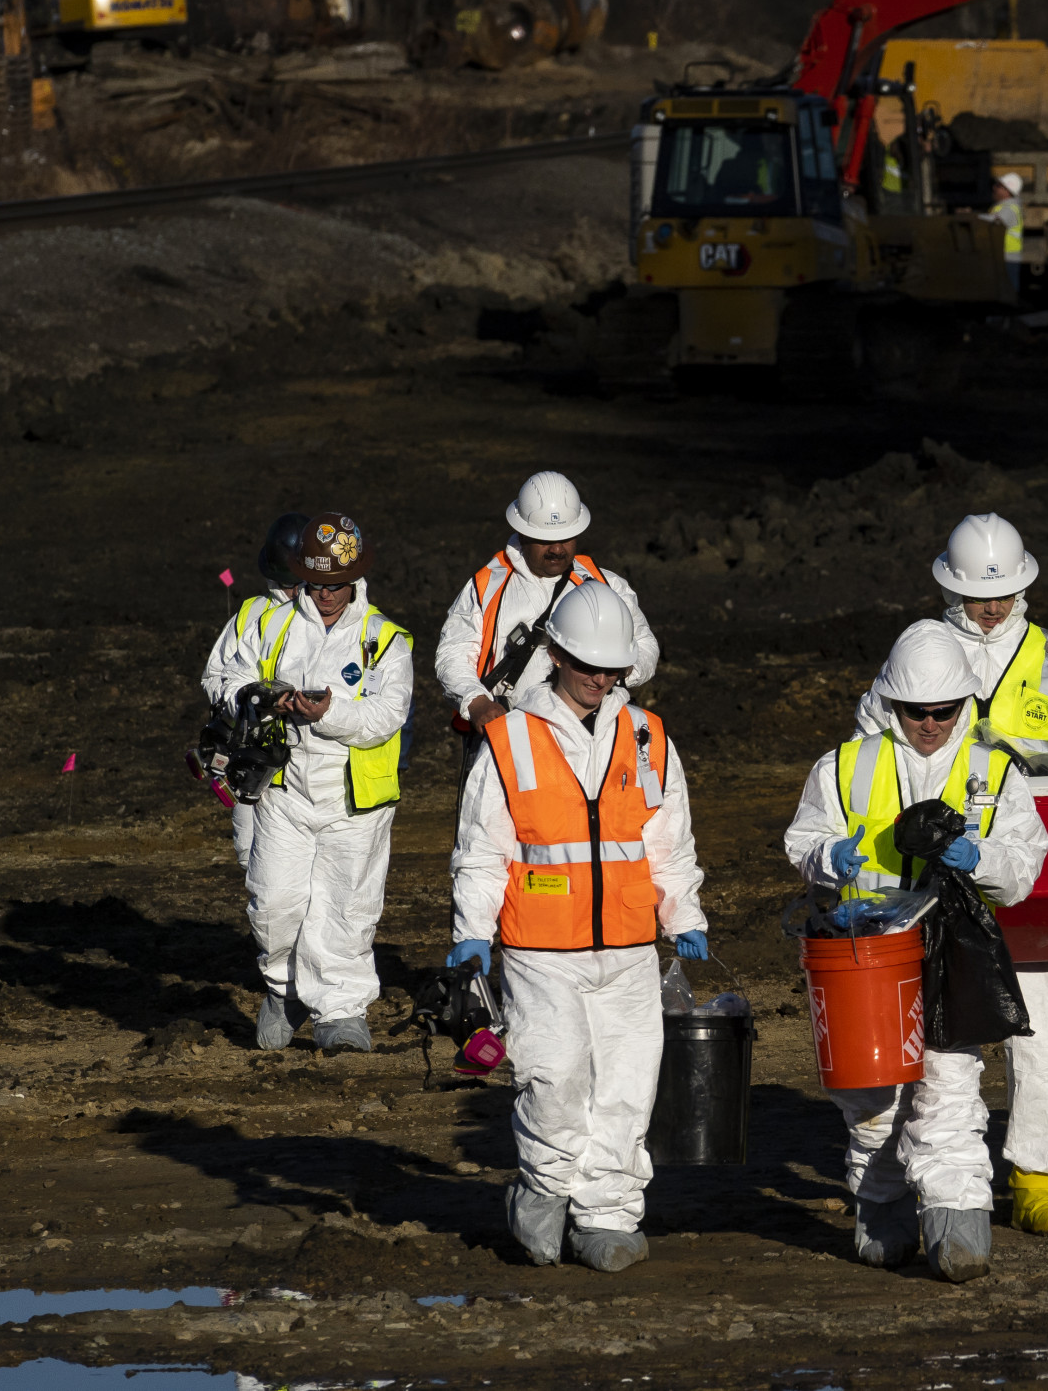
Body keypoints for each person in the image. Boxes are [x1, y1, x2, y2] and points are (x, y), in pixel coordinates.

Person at [850, 514, 1048, 1240]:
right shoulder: (920, 654)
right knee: (933, 1033)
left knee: (1047, 1019)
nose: (992, 606)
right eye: (979, 595)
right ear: (951, 587)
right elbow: (869, 749)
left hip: (1038, 859)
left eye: (1002, 593)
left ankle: (1038, 1178)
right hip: (938, 871)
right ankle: (906, 1172)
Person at [449, 584, 708, 1273]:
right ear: (557, 655)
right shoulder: (509, 739)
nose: (600, 679)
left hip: (629, 949)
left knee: (627, 1087)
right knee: (554, 1078)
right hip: (540, 950)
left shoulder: (648, 736)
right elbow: (482, 847)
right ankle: (543, 1189)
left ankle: (608, 1215)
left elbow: (667, 839)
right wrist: (472, 930)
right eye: (588, 665)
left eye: (612, 668)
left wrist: (683, 913)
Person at [786, 621, 1048, 1283]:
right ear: (891, 702)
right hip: (869, 954)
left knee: (949, 1090)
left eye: (944, 710)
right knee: (874, 1103)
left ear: (964, 703)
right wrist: (829, 856)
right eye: (915, 711)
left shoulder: (995, 771)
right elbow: (803, 838)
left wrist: (978, 857)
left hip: (951, 952)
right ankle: (883, 1210)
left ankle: (958, 1224)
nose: (930, 724)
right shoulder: (844, 766)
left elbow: (1024, 864)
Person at [223, 514, 414, 1052]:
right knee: (273, 902)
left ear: (355, 578)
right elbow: (233, 676)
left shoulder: (384, 639)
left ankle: (340, 1012)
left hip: (355, 800)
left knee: (346, 907)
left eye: (336, 583)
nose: (326, 594)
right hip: (284, 789)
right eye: (316, 582)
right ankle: (283, 990)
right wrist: (264, 696)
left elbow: (387, 716)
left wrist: (328, 714)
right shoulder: (274, 624)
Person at [435, 472, 659, 773]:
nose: (557, 549)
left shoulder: (607, 585)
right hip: (510, 739)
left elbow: (644, 645)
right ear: (522, 533)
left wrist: (610, 677)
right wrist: (477, 704)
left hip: (592, 740)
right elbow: (453, 655)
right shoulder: (485, 588)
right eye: (544, 540)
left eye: (565, 538)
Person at [201, 513, 305, 865]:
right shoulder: (250, 614)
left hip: (309, 773)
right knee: (253, 861)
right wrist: (250, 702)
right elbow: (214, 678)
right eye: (288, 583)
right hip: (254, 768)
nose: (294, 591)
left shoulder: (328, 623)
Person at [991, 172, 1027, 297]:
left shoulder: (1010, 208)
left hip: (1007, 257)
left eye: (998, 186)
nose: (994, 188)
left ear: (1007, 191)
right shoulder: (1005, 206)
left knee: (1007, 293)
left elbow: (993, 222)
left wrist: (972, 216)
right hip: (1004, 256)